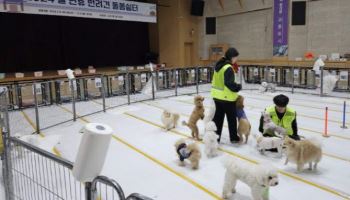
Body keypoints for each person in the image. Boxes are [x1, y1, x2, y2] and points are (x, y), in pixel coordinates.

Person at [211, 48, 242, 143]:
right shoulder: (228, 68)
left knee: (218, 118)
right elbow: (229, 83)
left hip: (217, 96)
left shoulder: (219, 65)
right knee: (231, 119)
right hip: (227, 98)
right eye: (236, 57)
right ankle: (233, 138)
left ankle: (215, 137)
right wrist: (238, 87)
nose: (236, 59)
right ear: (232, 57)